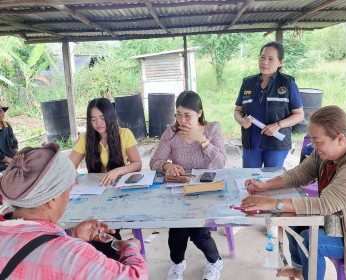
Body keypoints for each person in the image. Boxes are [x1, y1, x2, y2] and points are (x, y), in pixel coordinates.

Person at [241, 105, 346, 280]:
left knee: (312, 240)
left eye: (317, 141)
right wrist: (266, 185)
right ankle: (303, 272)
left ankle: (309, 276)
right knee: (292, 220)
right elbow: (300, 174)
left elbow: (324, 205)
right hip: (341, 220)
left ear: (340, 139)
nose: (313, 145)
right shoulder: (329, 152)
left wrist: (271, 203)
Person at [0, 143, 148, 280]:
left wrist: (70, 234)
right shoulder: (72, 255)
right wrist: (131, 248)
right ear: (52, 199)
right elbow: (135, 277)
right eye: (68, 191)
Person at [150, 91, 227, 280]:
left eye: (188, 115)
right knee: (177, 231)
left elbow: (221, 163)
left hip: (206, 191)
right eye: (178, 114)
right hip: (180, 191)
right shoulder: (171, 132)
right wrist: (168, 165)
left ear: (199, 113)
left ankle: (215, 261)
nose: (182, 120)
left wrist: (202, 140)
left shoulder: (212, 129)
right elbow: (155, 161)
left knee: (200, 233)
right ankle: (177, 264)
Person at [69, 97, 142, 259]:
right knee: (92, 233)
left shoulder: (125, 134)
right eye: (93, 119)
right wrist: (70, 173)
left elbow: (137, 164)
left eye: (102, 118)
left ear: (111, 116)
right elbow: (68, 166)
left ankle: (116, 257)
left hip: (118, 194)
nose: (98, 123)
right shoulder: (86, 138)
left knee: (110, 232)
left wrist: (117, 171)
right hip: (94, 195)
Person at [234, 41, 304, 168]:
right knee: (249, 179)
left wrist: (278, 125)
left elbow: (299, 115)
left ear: (280, 62)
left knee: (271, 181)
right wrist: (241, 120)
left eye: (271, 59)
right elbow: (238, 110)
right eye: (262, 57)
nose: (265, 62)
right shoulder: (247, 83)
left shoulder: (288, 84)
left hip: (276, 143)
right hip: (251, 142)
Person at [0, 104, 18, 172]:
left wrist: (17, 154)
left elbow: (13, 141)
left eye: (1, 111)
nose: (1, 114)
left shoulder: (7, 125)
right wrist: (5, 159)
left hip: (10, 157)